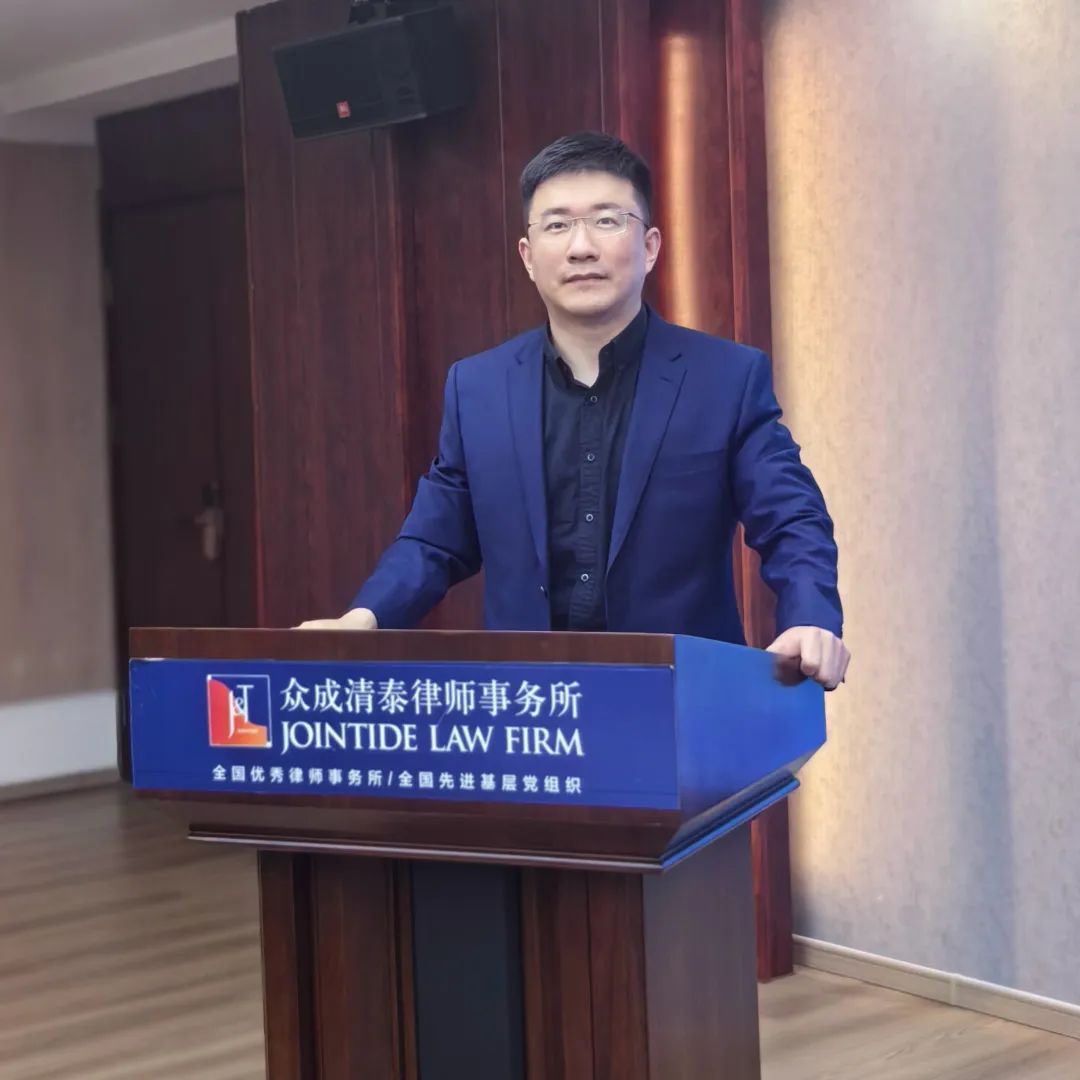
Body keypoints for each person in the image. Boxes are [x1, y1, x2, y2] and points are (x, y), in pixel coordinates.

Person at [299, 132, 850, 690]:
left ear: (650, 247)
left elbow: (791, 518)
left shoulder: (725, 378)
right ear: (528, 256)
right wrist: (363, 619)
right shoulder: (478, 388)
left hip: (683, 702)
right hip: (529, 712)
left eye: (607, 221)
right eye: (557, 225)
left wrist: (809, 619)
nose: (581, 247)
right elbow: (434, 541)